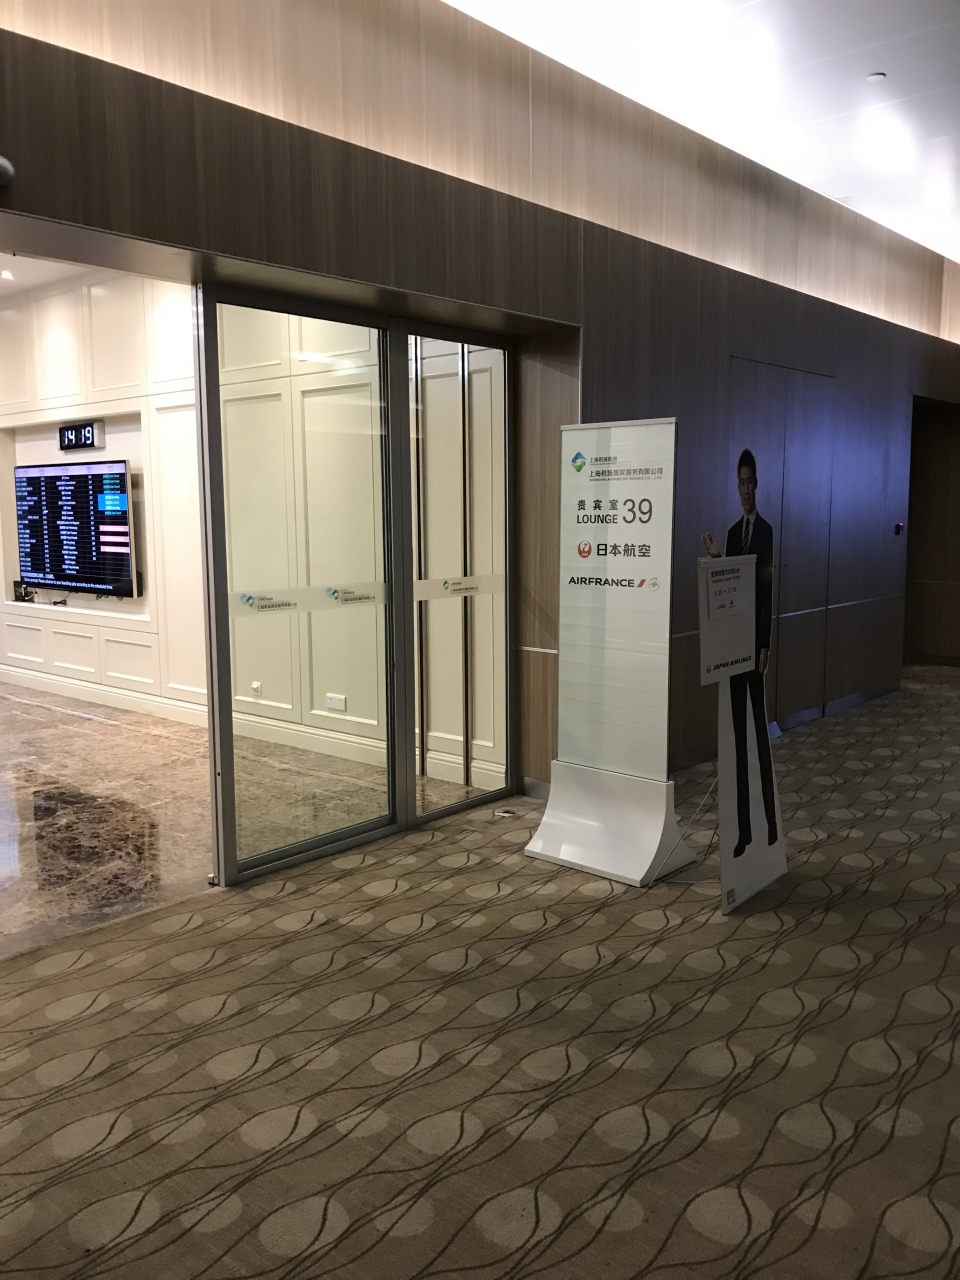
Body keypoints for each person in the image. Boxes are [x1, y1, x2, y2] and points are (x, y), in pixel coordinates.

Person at [701, 448, 778, 857]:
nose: (745, 490)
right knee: (738, 741)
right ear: (736, 486)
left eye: (750, 483)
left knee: (760, 737)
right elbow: (730, 585)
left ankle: (770, 824)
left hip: (754, 649)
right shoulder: (732, 533)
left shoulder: (765, 531)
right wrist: (717, 559)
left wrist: (765, 644)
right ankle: (745, 832)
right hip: (733, 650)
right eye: (740, 483)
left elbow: (764, 593)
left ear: (757, 485)